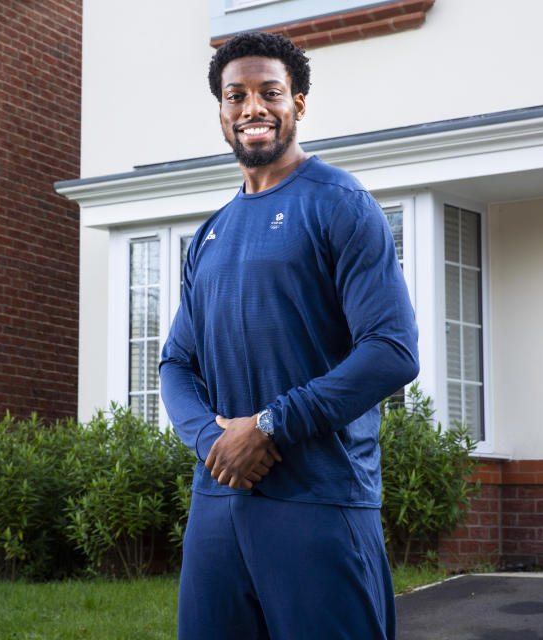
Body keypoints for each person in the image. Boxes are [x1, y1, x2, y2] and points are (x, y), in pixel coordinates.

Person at [159, 31, 419, 639]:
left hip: (319, 500)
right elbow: (175, 362)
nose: (252, 107)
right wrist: (212, 441)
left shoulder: (340, 203)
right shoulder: (210, 234)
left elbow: (392, 349)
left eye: (269, 92)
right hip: (219, 499)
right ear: (222, 112)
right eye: (236, 95)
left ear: (297, 103)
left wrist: (270, 425)